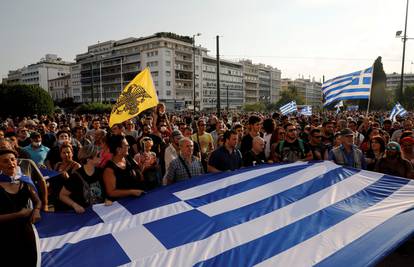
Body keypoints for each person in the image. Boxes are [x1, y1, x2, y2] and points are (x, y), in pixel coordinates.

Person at [0, 149, 41, 266]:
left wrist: (37, 210)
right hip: (5, 236)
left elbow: (37, 201)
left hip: (26, 232)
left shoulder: (24, 181)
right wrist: (18, 215)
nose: (11, 163)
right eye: (5, 161)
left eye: (13, 160)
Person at [59, 144, 108, 213]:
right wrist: (74, 205)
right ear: (88, 159)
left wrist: (107, 199)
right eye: (98, 155)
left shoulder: (101, 172)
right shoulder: (76, 176)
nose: (101, 157)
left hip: (100, 211)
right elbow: (62, 195)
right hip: (84, 213)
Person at [103, 135, 145, 200]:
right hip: (123, 204)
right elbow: (111, 192)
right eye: (126, 145)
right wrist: (131, 192)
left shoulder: (129, 158)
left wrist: (143, 165)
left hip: (138, 199)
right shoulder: (109, 169)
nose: (129, 147)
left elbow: (139, 175)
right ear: (118, 149)